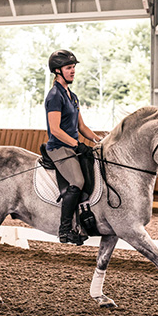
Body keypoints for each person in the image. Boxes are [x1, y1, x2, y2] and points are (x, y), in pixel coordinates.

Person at [45, 49, 101, 245]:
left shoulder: (73, 96)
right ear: (57, 71)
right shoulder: (54, 96)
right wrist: (77, 144)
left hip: (73, 146)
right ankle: (65, 229)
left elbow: (82, 127)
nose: (73, 71)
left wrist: (98, 140)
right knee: (77, 181)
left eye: (74, 68)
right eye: (69, 68)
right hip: (59, 147)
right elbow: (55, 130)